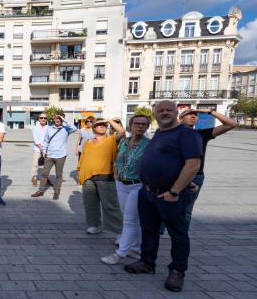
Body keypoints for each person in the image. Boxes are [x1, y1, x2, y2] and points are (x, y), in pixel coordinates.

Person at [124, 100, 202, 292]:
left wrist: (176, 190)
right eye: (160, 110)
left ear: (177, 112)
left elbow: (192, 164)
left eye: (169, 110)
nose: (165, 113)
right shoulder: (159, 133)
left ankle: (177, 271)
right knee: (149, 230)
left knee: (178, 234)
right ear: (155, 114)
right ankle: (147, 262)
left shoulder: (187, 134)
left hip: (171, 195)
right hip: (148, 192)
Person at [100, 115, 150, 265]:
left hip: (137, 184)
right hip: (122, 184)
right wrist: (116, 173)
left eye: (143, 124)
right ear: (130, 125)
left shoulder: (149, 144)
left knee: (129, 220)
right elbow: (118, 159)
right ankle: (135, 248)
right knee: (131, 218)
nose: (140, 126)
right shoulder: (124, 141)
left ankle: (120, 254)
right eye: (137, 123)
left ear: (147, 127)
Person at [178, 108, 237, 227]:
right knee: (165, 206)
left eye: (195, 114)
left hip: (196, 177)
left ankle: (181, 237)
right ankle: (158, 235)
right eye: (189, 114)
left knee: (186, 210)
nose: (193, 116)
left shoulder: (202, 134)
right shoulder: (172, 135)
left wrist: (209, 112)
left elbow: (232, 124)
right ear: (180, 119)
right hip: (175, 175)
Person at [78, 118, 125, 235]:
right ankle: (95, 225)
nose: (102, 126)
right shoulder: (87, 142)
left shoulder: (111, 139)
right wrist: (81, 175)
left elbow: (122, 132)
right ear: (93, 128)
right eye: (99, 125)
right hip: (88, 177)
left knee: (110, 206)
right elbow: (83, 159)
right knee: (90, 204)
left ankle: (119, 232)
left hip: (105, 177)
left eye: (104, 125)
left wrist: (109, 120)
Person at [31, 113, 77, 200]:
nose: (58, 120)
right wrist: (44, 152)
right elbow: (46, 141)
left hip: (61, 155)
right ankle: (41, 191)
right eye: (56, 118)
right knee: (44, 174)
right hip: (50, 155)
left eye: (60, 118)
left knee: (58, 175)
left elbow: (74, 128)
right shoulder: (49, 128)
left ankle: (56, 192)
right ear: (54, 119)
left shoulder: (66, 129)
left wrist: (64, 120)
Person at [30, 113, 48, 187]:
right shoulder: (35, 127)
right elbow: (35, 139)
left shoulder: (49, 128)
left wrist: (45, 148)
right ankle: (34, 178)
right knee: (35, 164)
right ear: (38, 119)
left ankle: (45, 179)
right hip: (37, 149)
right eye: (41, 118)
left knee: (47, 165)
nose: (43, 119)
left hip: (47, 149)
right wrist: (40, 147)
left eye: (45, 118)